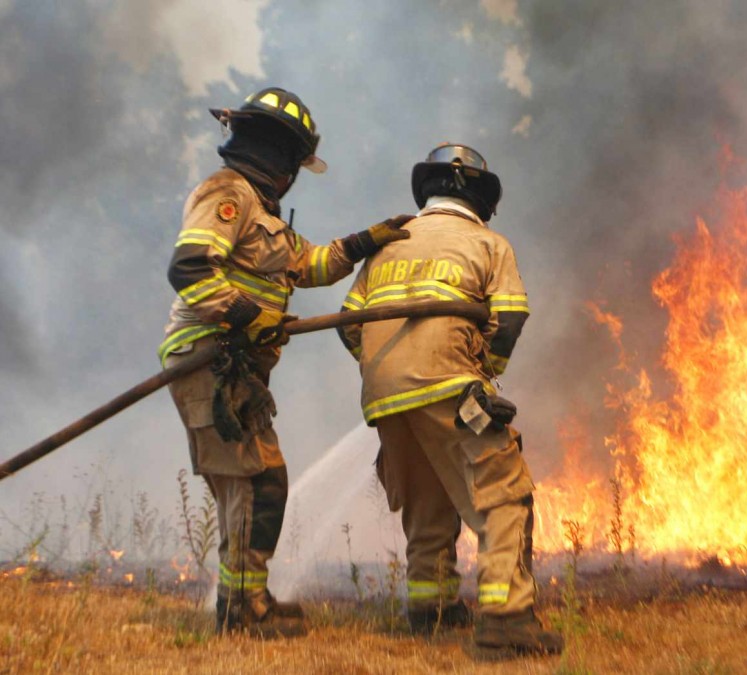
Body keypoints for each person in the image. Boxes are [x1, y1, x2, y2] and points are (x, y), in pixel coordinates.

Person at [161, 87, 412, 637]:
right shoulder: (227, 194)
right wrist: (243, 315)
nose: (294, 174)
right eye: (295, 162)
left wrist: (365, 241)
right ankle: (243, 611)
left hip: (235, 365)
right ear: (279, 155)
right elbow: (191, 268)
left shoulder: (262, 212)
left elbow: (312, 264)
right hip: (210, 360)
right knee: (259, 483)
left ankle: (244, 600)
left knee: (249, 485)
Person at [337, 143, 562, 656]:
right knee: (503, 495)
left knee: (428, 502)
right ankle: (505, 621)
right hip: (451, 384)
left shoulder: (387, 247)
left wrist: (387, 371)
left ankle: (430, 610)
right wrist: (486, 376)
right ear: (481, 199)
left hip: (384, 397)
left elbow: (350, 326)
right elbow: (509, 321)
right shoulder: (488, 243)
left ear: (427, 192)